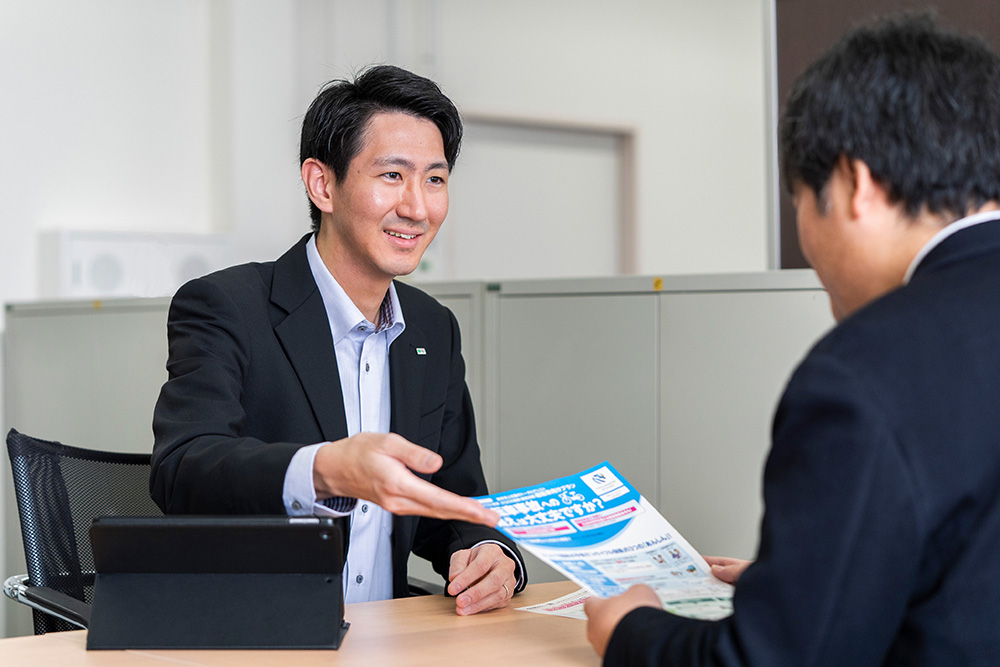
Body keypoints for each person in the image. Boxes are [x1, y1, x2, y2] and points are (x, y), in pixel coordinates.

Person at [585, 14, 1000, 665]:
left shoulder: (863, 373)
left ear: (855, 183)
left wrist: (630, 628)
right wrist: (811, 585)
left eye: (802, 199)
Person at [150, 65, 525, 616]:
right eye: (392, 176)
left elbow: (456, 499)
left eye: (435, 179)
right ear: (322, 184)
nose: (418, 208)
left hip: (391, 644)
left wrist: (491, 552)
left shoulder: (431, 328)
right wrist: (325, 469)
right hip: (260, 640)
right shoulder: (227, 305)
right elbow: (182, 469)